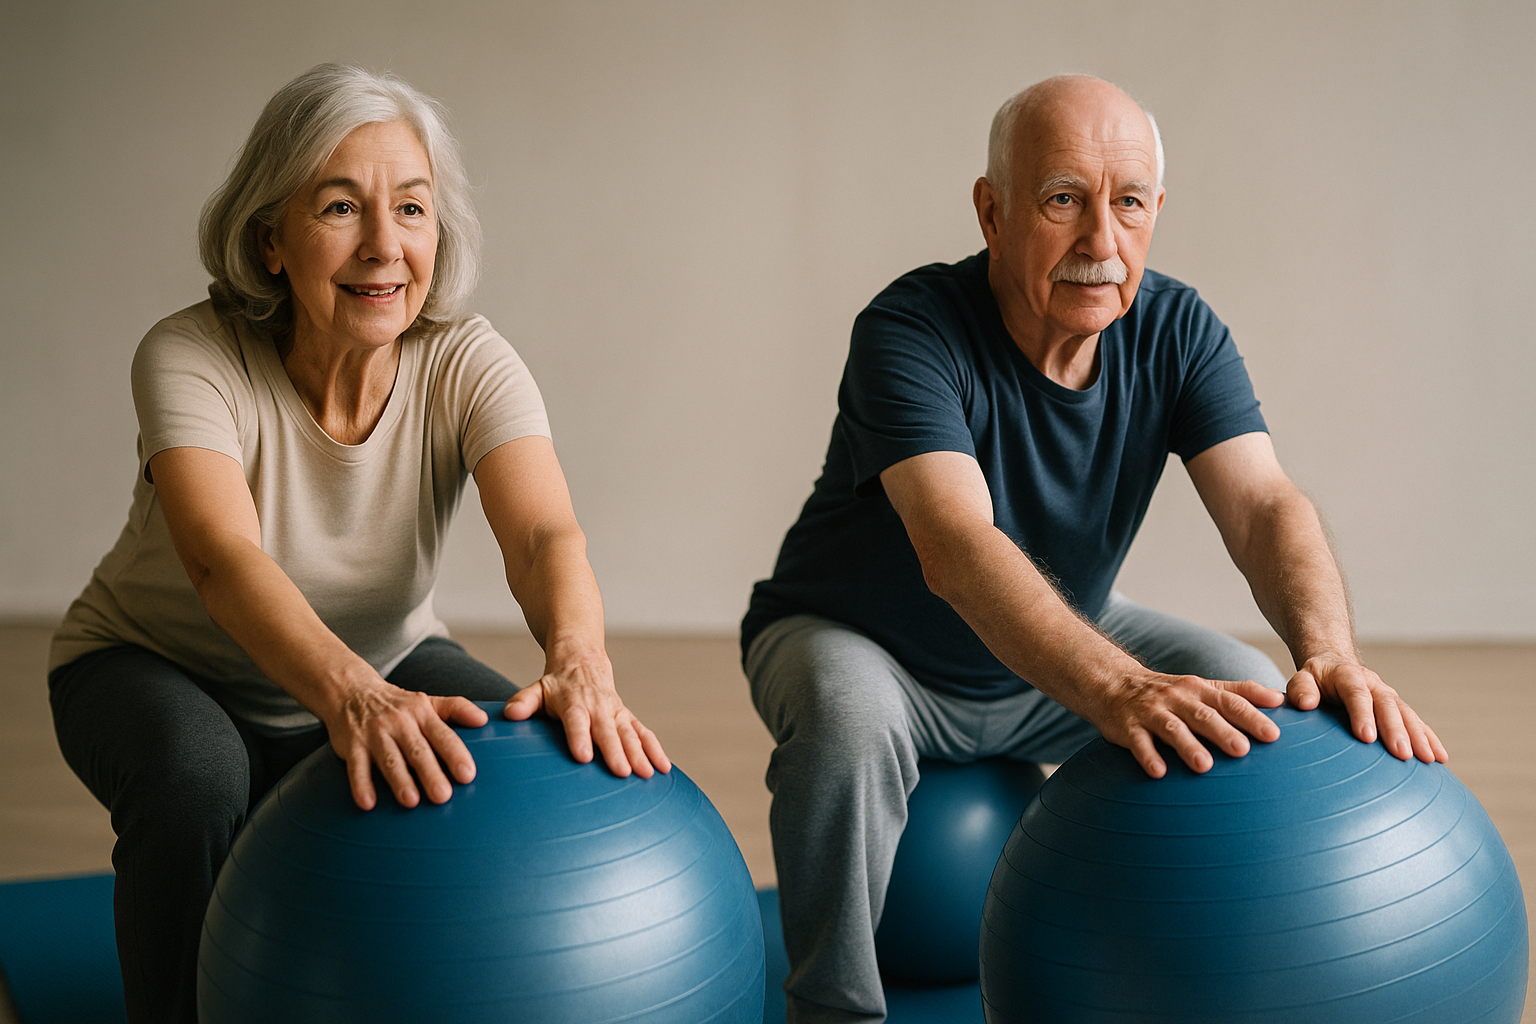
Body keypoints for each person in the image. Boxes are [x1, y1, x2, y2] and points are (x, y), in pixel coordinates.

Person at [740, 74, 1448, 1024]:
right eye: (1064, 200)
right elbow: (955, 544)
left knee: (1247, 700)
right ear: (992, 212)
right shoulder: (909, 331)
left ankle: (1190, 982)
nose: (1100, 245)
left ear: (1158, 211)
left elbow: (1264, 506)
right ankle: (831, 1009)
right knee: (846, 724)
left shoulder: (1178, 329)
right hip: (859, 636)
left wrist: (1328, 654)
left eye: (1127, 205)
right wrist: (1117, 690)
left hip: (1052, 635)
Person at [47, 63, 670, 1024]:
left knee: (532, 757)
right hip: (152, 663)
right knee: (198, 778)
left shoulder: (466, 359)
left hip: (384, 649)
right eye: (341, 207)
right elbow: (223, 558)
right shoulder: (189, 356)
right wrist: (353, 698)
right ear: (270, 242)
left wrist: (580, 660)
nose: (385, 246)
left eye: (412, 209)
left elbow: (543, 533)